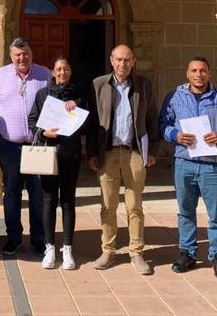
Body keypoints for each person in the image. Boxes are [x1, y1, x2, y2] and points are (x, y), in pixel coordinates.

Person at [159, 56, 217, 280]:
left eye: (203, 71)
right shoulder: (175, 97)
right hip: (184, 164)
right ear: (187, 74)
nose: (199, 74)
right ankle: (187, 253)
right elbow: (163, 123)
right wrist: (175, 135)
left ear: (209, 73)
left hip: (212, 167)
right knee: (185, 212)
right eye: (194, 71)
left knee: (216, 214)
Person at [87, 44, 159, 274]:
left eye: (127, 60)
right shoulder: (99, 85)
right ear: (111, 60)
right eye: (118, 60)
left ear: (134, 61)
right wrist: (91, 153)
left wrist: (153, 151)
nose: (122, 64)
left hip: (134, 152)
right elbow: (92, 123)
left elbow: (152, 118)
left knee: (134, 205)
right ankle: (108, 250)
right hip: (107, 153)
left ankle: (136, 252)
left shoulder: (144, 86)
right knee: (108, 206)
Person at [0, 37, 52, 256]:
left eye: (25, 54)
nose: (22, 58)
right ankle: (13, 238)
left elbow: (54, 105)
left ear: (31, 54)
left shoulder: (44, 75)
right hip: (10, 146)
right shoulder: (0, 76)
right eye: (17, 55)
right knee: (12, 193)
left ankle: (39, 240)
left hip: (38, 145)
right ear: (11, 56)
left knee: (38, 194)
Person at [28, 56, 93, 270]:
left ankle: (67, 248)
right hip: (48, 153)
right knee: (48, 201)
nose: (62, 73)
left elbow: (87, 125)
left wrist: (77, 110)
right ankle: (49, 248)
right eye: (58, 69)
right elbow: (32, 120)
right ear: (53, 73)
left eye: (66, 69)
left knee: (67, 201)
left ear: (70, 71)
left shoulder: (80, 95)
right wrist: (43, 132)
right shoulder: (43, 94)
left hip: (70, 154)